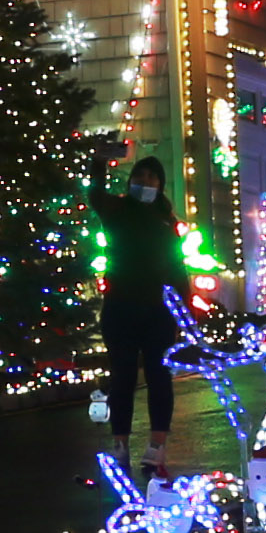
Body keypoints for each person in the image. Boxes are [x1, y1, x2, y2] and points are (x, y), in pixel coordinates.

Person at [89, 158, 182, 456]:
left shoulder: (166, 219)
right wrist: (98, 162)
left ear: (160, 183)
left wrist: (185, 310)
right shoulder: (116, 211)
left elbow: (177, 265)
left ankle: (157, 444)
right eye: (140, 176)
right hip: (121, 306)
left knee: (159, 375)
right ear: (130, 181)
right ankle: (121, 442)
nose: (146, 181)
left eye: (152, 177)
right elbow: (95, 194)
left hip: (158, 309)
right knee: (123, 376)